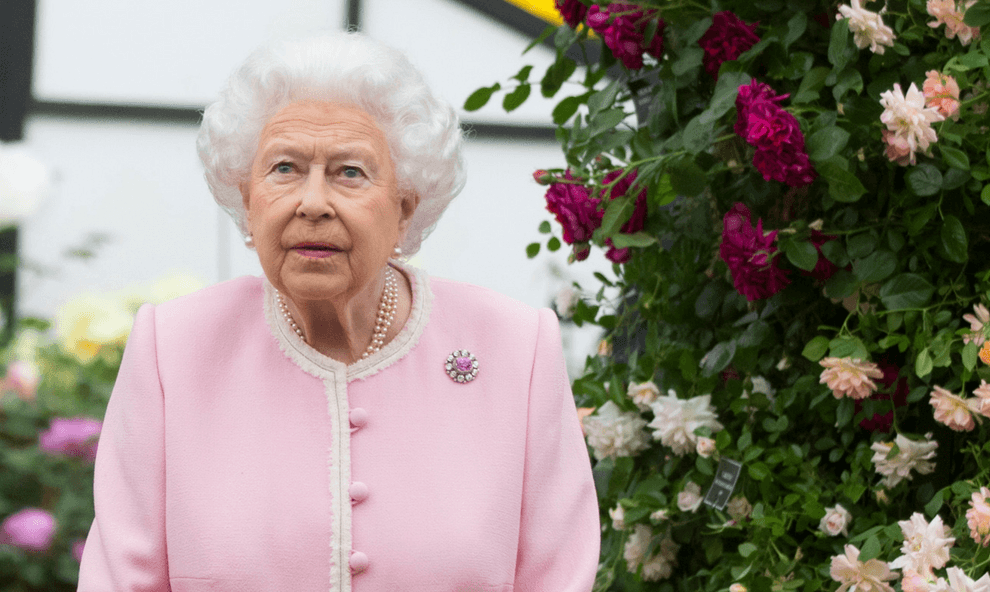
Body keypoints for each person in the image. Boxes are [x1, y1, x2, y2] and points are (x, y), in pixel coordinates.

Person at [77, 32, 600, 591]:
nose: (313, 202)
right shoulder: (173, 346)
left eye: (350, 172)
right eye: (284, 168)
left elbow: (557, 576)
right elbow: (120, 579)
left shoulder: (515, 347)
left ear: (404, 208)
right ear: (247, 199)